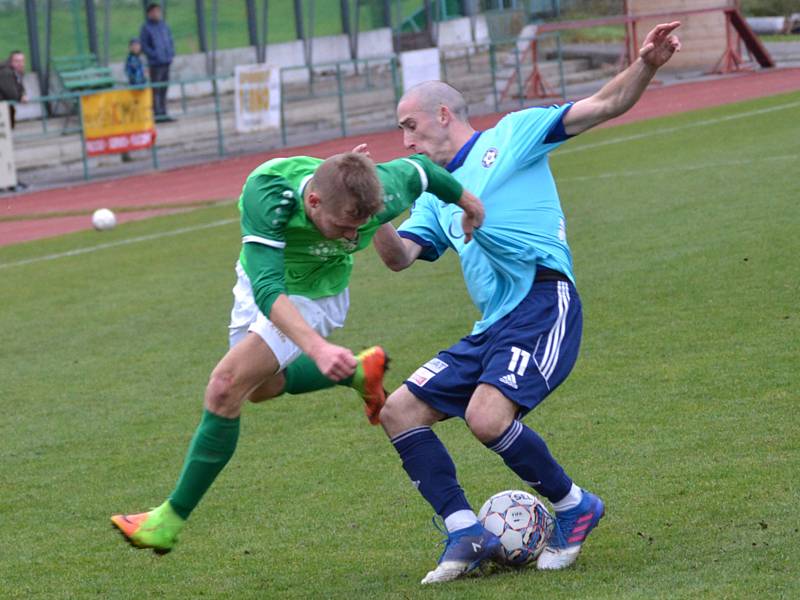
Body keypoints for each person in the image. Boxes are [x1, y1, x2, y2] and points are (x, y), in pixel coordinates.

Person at [371, 22, 682, 584]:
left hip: (543, 302)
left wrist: (648, 64)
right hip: (493, 325)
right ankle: (465, 529)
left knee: (485, 417)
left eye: (409, 126)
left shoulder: (511, 134)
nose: (406, 142)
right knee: (398, 411)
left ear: (444, 114)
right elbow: (399, 257)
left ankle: (574, 506)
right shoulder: (433, 192)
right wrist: (373, 212)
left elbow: (605, 103)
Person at [111, 151, 485, 553]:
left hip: (317, 293)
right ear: (313, 203)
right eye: (343, 226)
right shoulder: (269, 192)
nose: (349, 237)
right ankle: (357, 372)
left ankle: (167, 520)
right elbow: (269, 289)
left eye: (359, 228)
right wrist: (319, 351)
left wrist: (470, 205)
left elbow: (425, 171)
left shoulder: (383, 188)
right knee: (261, 388)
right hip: (265, 279)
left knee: (224, 387)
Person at [139, 3, 174, 120]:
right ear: (149, 14)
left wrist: (170, 54)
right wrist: (155, 55)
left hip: (166, 61)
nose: (157, 14)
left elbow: (170, 40)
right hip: (155, 63)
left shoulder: (164, 25)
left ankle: (164, 111)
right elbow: (144, 45)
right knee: (156, 89)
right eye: (154, 11)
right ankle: (157, 113)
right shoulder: (146, 28)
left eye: (158, 11)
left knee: (164, 87)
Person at [0, 50, 27, 129]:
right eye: (17, 61)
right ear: (11, 62)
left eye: (22, 61)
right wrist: (20, 97)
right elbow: (10, 92)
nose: (20, 64)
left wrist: (23, 94)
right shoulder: (6, 72)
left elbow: (20, 86)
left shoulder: (17, 71)